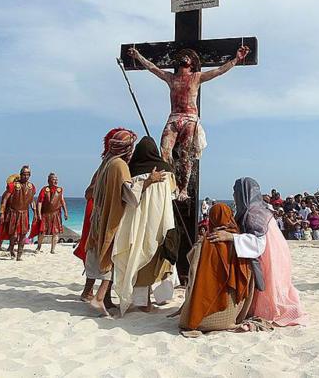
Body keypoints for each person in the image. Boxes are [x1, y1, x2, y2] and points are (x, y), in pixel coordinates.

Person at [128, 45, 251, 201]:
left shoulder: (196, 77)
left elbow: (219, 71)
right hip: (174, 118)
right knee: (164, 152)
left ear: (192, 63)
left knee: (186, 155)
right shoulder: (171, 78)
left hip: (190, 118)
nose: (185, 57)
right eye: (183, 56)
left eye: (189, 56)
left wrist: (236, 59)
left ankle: (184, 189)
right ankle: (171, 186)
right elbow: (152, 68)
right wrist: (138, 56)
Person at [84, 128, 164, 317]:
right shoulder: (120, 166)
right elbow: (129, 194)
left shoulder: (106, 162)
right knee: (111, 254)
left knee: (101, 252)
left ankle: (104, 299)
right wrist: (148, 181)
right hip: (111, 216)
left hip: (99, 215)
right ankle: (99, 297)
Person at [207, 177, 306, 327]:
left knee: (269, 291)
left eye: (236, 192)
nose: (234, 196)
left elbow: (258, 243)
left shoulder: (254, 214)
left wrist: (231, 237)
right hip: (274, 253)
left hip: (269, 257)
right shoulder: (255, 210)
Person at [112, 136, 177, 315]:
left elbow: (127, 197)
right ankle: (160, 298)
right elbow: (173, 194)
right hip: (160, 221)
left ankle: (143, 301)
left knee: (138, 256)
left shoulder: (131, 172)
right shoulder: (167, 171)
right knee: (158, 259)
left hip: (137, 222)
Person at [178, 203, 252, 332]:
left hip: (200, 309)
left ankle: (203, 317)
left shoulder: (205, 242)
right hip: (228, 315)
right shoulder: (239, 240)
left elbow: (191, 261)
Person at [0, 165, 36, 260]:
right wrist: (2, 213)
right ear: (20, 174)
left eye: (28, 174)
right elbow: (5, 199)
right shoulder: (13, 186)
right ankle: (11, 249)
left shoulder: (32, 187)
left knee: (23, 234)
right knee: (13, 235)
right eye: (24, 174)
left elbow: (32, 201)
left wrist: (36, 213)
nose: (25, 176)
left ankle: (19, 255)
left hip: (24, 213)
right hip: (13, 213)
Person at [34, 173, 69, 254]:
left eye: (56, 179)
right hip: (45, 214)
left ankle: (52, 249)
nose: (56, 181)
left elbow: (62, 201)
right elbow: (39, 202)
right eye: (53, 179)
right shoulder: (44, 190)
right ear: (49, 180)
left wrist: (65, 212)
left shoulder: (60, 190)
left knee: (55, 232)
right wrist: (39, 214)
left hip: (56, 214)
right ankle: (38, 247)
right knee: (42, 232)